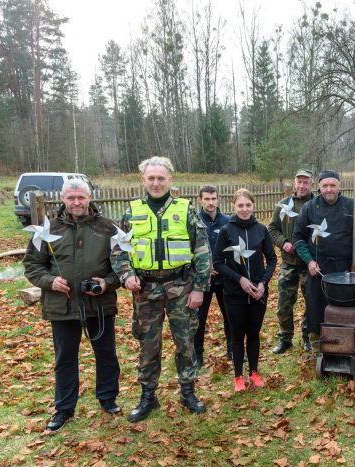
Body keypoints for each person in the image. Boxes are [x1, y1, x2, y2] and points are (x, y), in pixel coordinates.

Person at [111, 156, 209, 422]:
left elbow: (202, 250)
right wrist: (126, 275)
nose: (156, 183)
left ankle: (188, 392)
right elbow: (118, 250)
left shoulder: (186, 209)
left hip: (181, 288)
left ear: (170, 180)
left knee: (185, 342)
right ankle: (148, 396)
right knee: (148, 344)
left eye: (161, 178)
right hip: (146, 291)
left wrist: (200, 288)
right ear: (143, 180)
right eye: (151, 178)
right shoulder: (132, 212)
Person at [24, 180, 122, 432]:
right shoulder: (47, 230)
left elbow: (122, 267)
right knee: (65, 357)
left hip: (98, 304)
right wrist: (50, 281)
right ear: (63, 199)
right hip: (63, 305)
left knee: (106, 354)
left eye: (81, 197)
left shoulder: (109, 228)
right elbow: (32, 265)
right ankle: (64, 408)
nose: (76, 202)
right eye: (71, 198)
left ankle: (108, 397)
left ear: (90, 197)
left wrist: (107, 283)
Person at [293, 170, 355, 350]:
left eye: (333, 185)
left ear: (339, 186)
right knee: (315, 304)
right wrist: (309, 261)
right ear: (319, 187)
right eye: (325, 186)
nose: (329, 189)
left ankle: (346, 341)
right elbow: (298, 238)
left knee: (344, 306)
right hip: (318, 267)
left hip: (345, 268)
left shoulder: (352, 207)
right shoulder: (309, 208)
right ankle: (316, 341)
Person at [213, 189, 278, 391]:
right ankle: (238, 376)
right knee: (237, 335)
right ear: (234, 206)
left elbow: (272, 259)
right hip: (234, 294)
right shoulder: (226, 231)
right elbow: (218, 262)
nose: (244, 209)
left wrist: (263, 283)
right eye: (240, 205)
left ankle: (254, 372)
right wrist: (239, 279)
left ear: (253, 206)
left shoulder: (261, 229)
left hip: (258, 293)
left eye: (248, 205)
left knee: (254, 333)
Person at [268, 169, 314, 353]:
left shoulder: (316, 205)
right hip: (289, 263)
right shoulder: (282, 205)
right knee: (284, 304)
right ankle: (285, 338)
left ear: (312, 184)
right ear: (295, 183)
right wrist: (284, 242)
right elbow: (272, 229)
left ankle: (308, 336)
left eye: (306, 182)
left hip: (309, 264)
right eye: (299, 182)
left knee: (311, 303)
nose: (302, 186)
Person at [194, 185, 231, 366]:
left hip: (224, 279)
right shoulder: (193, 222)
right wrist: (204, 267)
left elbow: (232, 249)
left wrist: (222, 266)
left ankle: (233, 349)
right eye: (206, 199)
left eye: (213, 198)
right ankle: (198, 355)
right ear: (200, 200)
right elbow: (188, 249)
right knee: (199, 320)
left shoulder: (227, 221)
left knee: (230, 316)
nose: (210, 202)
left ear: (218, 199)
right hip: (202, 280)